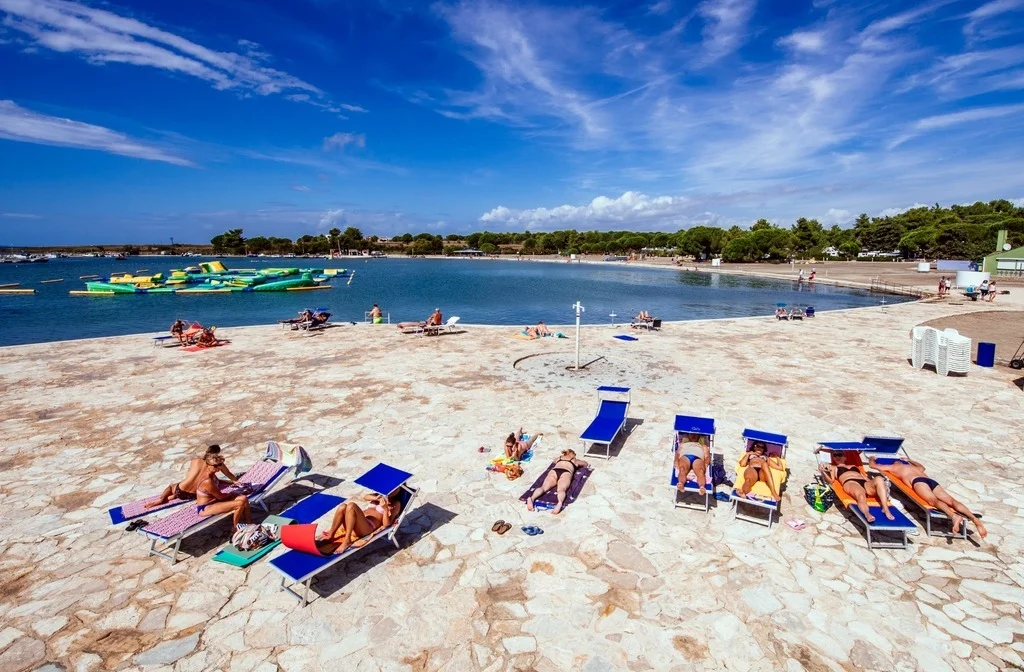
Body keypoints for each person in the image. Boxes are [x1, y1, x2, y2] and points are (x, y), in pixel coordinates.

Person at [868, 456, 986, 537]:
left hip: (918, 482)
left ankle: (953, 516)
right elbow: (922, 467)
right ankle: (974, 519)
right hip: (930, 481)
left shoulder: (894, 467)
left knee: (933, 501)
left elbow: (873, 466)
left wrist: (872, 458)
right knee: (951, 500)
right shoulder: (916, 468)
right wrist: (910, 460)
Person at [145, 445, 238, 508]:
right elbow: (229, 474)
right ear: (215, 454)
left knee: (171, 487)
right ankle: (171, 497)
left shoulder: (195, 461)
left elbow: (190, 475)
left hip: (180, 490)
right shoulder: (216, 463)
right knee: (211, 482)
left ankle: (162, 499)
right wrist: (235, 481)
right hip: (195, 494)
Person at [816, 449, 894, 523]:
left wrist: (876, 484)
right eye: (835, 455)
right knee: (861, 495)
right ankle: (867, 514)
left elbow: (865, 477)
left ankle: (885, 508)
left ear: (845, 457)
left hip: (864, 483)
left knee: (879, 478)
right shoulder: (833, 468)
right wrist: (823, 472)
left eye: (839, 455)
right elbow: (831, 481)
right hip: (850, 482)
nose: (837, 457)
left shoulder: (854, 466)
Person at [316, 492, 402, 555]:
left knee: (351, 506)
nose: (393, 490)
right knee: (343, 506)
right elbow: (365, 497)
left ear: (399, 490)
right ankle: (331, 535)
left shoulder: (395, 503)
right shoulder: (380, 495)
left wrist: (385, 509)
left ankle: (347, 540)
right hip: (354, 523)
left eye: (396, 489)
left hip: (367, 527)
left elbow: (387, 524)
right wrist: (376, 498)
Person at [194, 452, 251, 527]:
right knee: (239, 504)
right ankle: (235, 528)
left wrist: (231, 482)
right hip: (206, 507)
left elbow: (218, 481)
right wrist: (232, 494)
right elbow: (220, 496)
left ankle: (250, 523)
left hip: (214, 501)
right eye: (215, 466)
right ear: (207, 465)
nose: (218, 468)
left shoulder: (211, 474)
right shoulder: (207, 480)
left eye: (219, 465)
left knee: (244, 498)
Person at [527, 449, 588, 515]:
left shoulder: (559, 458)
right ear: (571, 453)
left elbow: (554, 462)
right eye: (574, 454)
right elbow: (585, 464)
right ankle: (559, 503)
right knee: (561, 490)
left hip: (554, 471)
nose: (575, 455)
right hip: (566, 472)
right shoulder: (574, 460)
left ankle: (532, 498)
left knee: (543, 487)